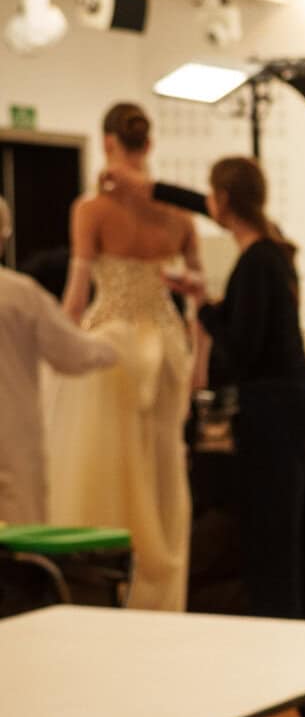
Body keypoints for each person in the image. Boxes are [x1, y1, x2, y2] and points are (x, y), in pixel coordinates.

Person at [47, 102, 196, 609]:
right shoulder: (178, 215)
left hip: (112, 347)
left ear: (109, 143)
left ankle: (105, 586)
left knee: (104, 466)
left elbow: (75, 295)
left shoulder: (90, 210)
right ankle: (162, 584)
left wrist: (55, 350)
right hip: (170, 349)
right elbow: (198, 296)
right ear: (148, 144)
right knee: (160, 467)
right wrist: (198, 362)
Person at [188, 158, 305, 621]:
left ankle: (283, 636)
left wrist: (205, 310)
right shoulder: (274, 252)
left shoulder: (257, 260)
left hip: (276, 412)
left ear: (222, 201)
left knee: (274, 536)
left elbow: (243, 348)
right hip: (304, 402)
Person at [0, 195, 121, 522]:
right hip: (12, 441)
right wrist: (113, 343)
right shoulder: (20, 295)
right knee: (21, 543)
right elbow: (72, 355)